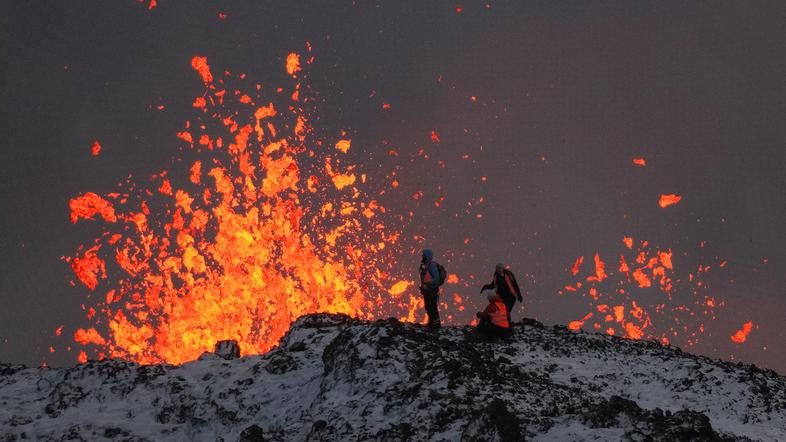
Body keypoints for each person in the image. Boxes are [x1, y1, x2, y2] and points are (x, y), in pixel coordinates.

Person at [419, 249, 445, 328]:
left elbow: (436, 278)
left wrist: (428, 284)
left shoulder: (432, 265)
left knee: (432, 306)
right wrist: (423, 287)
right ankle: (431, 322)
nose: (422, 257)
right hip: (427, 290)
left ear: (427, 256)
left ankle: (436, 324)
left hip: (432, 290)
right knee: (428, 306)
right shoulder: (426, 265)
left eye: (423, 255)